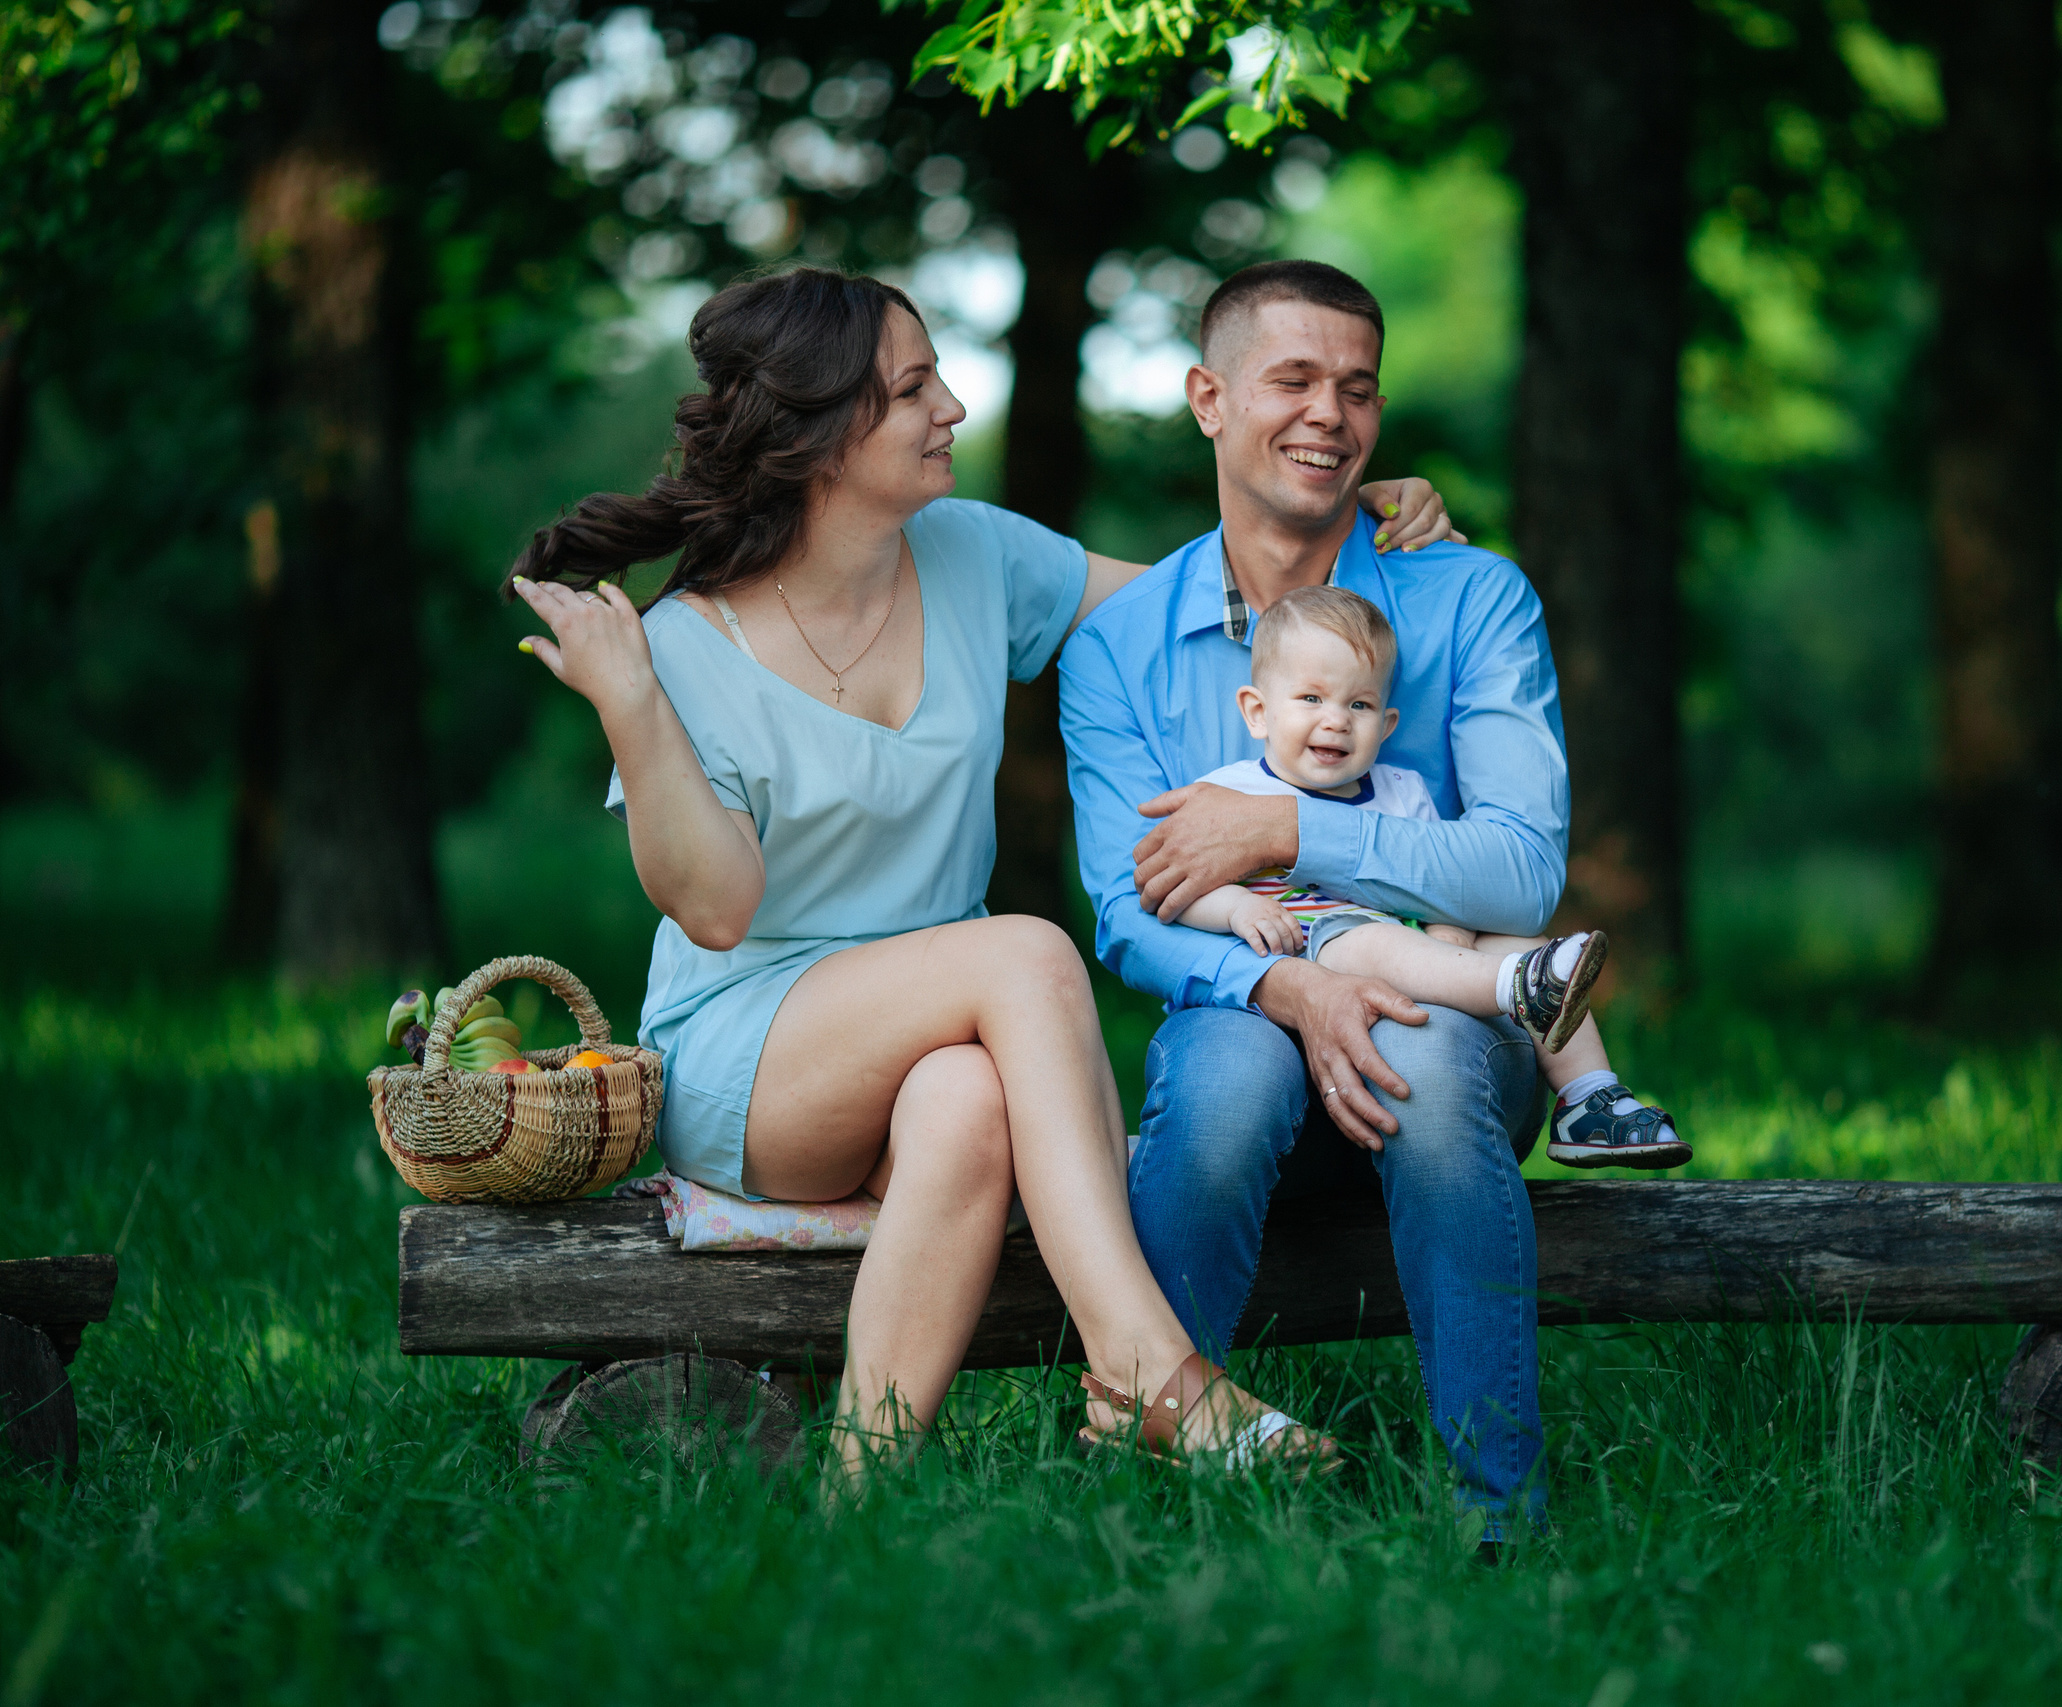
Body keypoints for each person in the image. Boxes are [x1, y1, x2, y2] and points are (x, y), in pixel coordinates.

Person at [505, 265, 1458, 1485]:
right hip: (755, 1060)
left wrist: (1350, 520)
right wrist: (631, 701)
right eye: (915, 388)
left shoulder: (969, 556)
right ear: (824, 433)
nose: (952, 406)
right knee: (1024, 947)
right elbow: (715, 907)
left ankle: (864, 1492)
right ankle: (1149, 1372)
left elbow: (1218, 616)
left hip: (950, 1041)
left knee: (963, 1102)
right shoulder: (690, 644)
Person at [1060, 258, 1575, 1543]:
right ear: (1207, 398)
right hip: (1248, 996)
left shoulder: (1474, 597)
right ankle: (1149, 1476)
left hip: (1446, 1003)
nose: (1326, 416)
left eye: (1355, 390)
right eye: (1290, 380)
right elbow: (1127, 913)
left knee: (1436, 1067)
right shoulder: (1120, 646)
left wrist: (1286, 826)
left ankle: (1493, 1519)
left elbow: (1521, 872)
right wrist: (1289, 982)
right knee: (1228, 1082)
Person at [1172, 585, 1689, 1169]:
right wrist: (1237, 909)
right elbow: (1180, 890)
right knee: (1364, 937)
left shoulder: (1401, 792)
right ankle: (1515, 989)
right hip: (1310, 961)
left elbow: (1439, 879)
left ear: (1387, 722)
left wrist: (1451, 936)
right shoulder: (1234, 793)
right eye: (1311, 698)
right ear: (1257, 711)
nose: (1336, 721)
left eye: (1358, 706)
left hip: (1407, 949)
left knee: (1521, 940)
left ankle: (1590, 1098)